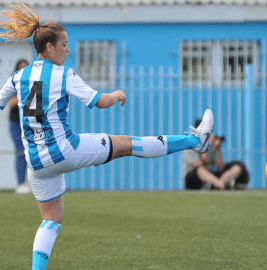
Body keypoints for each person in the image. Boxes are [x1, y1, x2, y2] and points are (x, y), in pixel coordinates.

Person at [0, 4, 214, 270]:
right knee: (127, 144)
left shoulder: (19, 76)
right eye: (65, 44)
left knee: (51, 218)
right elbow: (98, 101)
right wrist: (116, 95)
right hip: (65, 150)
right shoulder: (62, 73)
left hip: (37, 163)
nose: (68, 49)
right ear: (50, 47)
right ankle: (196, 141)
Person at [184, 118, 249, 190]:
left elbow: (221, 167)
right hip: (194, 178)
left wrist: (217, 148)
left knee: (237, 166)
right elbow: (199, 164)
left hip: (211, 176)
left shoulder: (211, 145)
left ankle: (218, 184)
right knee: (200, 169)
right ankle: (222, 185)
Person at [9, 59, 32, 194]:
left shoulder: (34, 84)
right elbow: (11, 103)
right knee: (21, 152)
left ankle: (34, 184)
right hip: (16, 123)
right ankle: (21, 183)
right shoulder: (13, 84)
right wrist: (23, 94)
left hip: (30, 123)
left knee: (33, 153)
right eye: (21, 68)